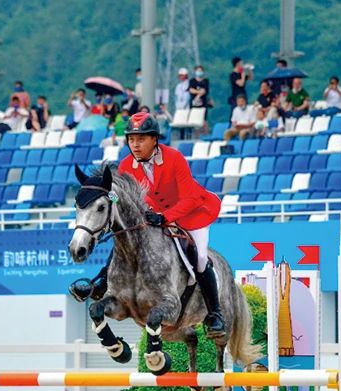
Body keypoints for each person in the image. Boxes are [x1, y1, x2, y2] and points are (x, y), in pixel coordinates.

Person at [69, 111, 226, 334]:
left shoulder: (174, 157)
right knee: (126, 240)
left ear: (154, 139)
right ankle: (101, 282)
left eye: (141, 139)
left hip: (191, 213)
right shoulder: (126, 165)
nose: (135, 144)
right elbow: (119, 197)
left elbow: (190, 198)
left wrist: (166, 217)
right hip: (154, 216)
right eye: (131, 139)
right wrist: (113, 201)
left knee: (200, 257)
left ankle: (214, 314)